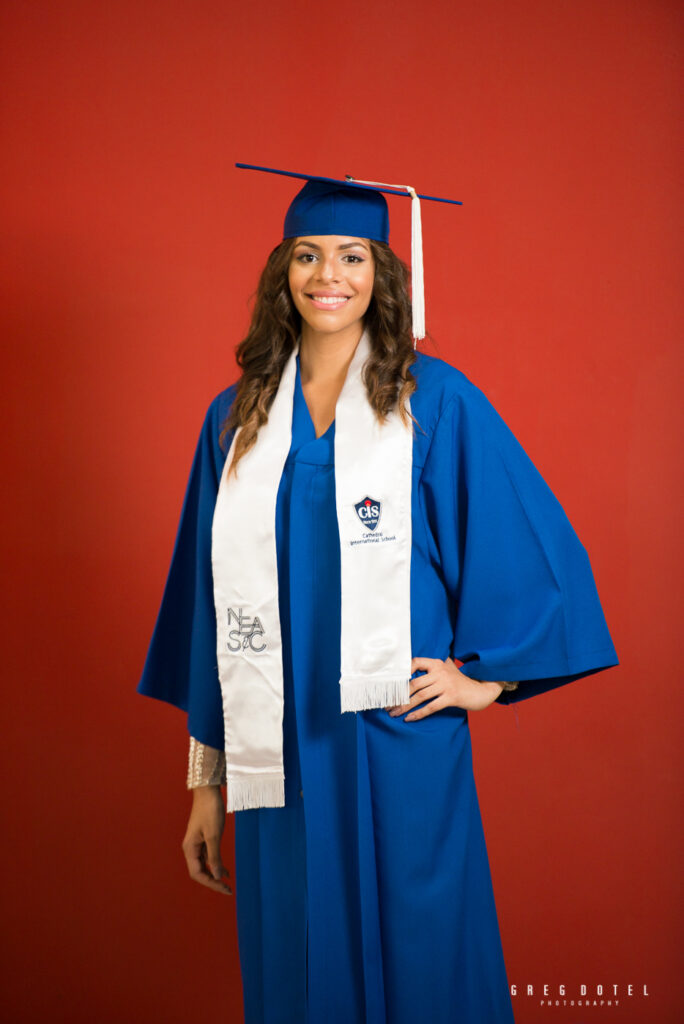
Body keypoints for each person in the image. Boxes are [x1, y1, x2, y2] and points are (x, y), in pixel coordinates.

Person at [138, 166, 619, 1024]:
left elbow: (524, 547)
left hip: (394, 738)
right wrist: (206, 780)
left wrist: (488, 681)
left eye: (353, 257)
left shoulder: (431, 401)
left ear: (383, 274)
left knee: (420, 958)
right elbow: (208, 608)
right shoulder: (235, 419)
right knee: (297, 965)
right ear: (282, 273)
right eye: (309, 256)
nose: (330, 277)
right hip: (275, 748)